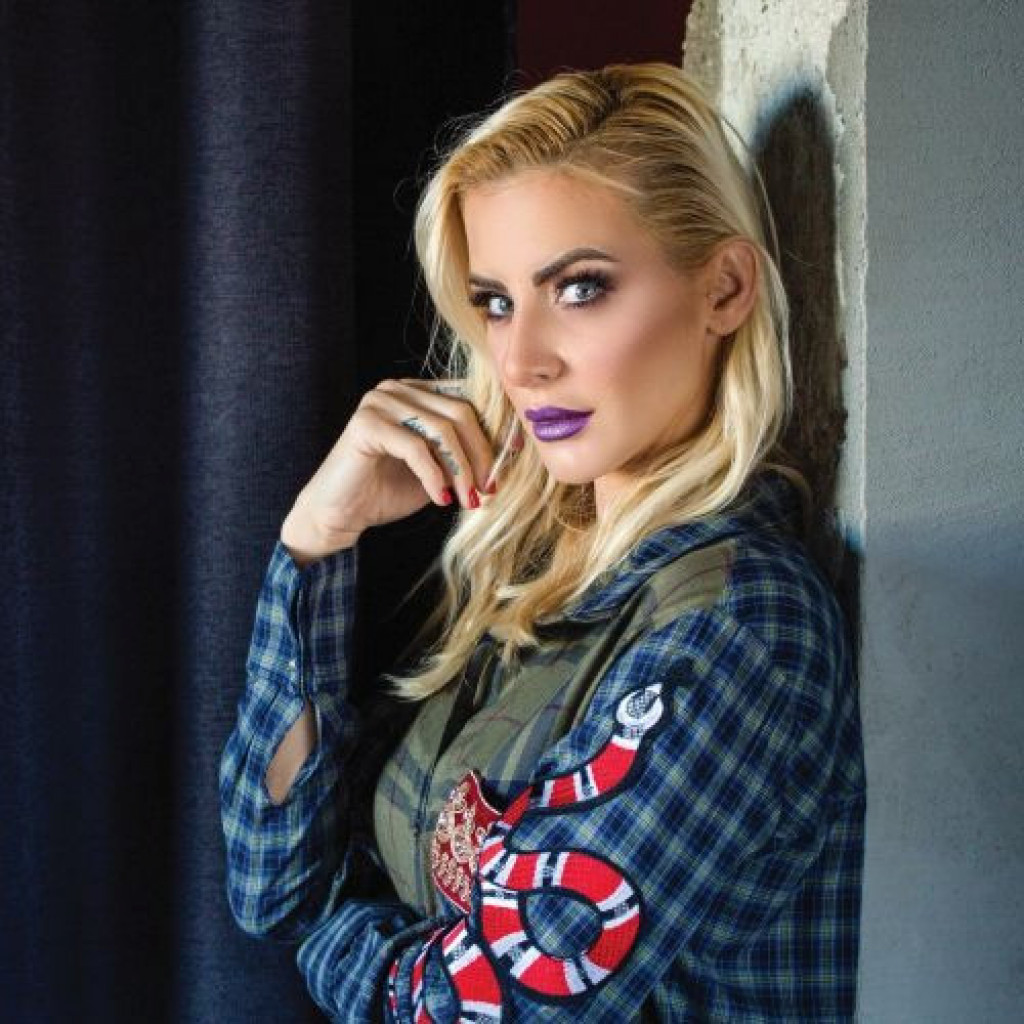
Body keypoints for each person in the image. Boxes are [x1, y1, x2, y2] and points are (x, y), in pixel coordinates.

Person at [219, 62, 866, 1022]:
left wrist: (331, 923)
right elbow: (269, 882)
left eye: (580, 288)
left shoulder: (735, 629)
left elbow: (457, 1009)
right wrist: (316, 541)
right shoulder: (535, 582)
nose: (520, 362)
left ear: (725, 288)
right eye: (495, 302)